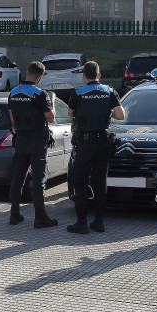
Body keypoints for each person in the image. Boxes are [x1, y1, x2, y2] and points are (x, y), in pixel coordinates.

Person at [67, 61, 124, 234]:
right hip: (103, 141)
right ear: (100, 75)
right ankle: (99, 222)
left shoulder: (78, 93)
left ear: (84, 76)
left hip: (85, 142)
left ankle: (82, 222)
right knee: (100, 182)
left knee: (81, 183)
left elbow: (70, 113)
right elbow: (121, 115)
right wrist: (108, 111)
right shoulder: (109, 91)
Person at [7, 61, 58, 229]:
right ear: (40, 77)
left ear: (27, 72)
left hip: (20, 138)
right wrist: (52, 100)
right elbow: (50, 118)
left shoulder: (13, 92)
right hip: (37, 139)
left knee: (18, 177)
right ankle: (40, 217)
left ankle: (14, 214)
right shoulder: (40, 94)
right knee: (38, 179)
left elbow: (13, 118)